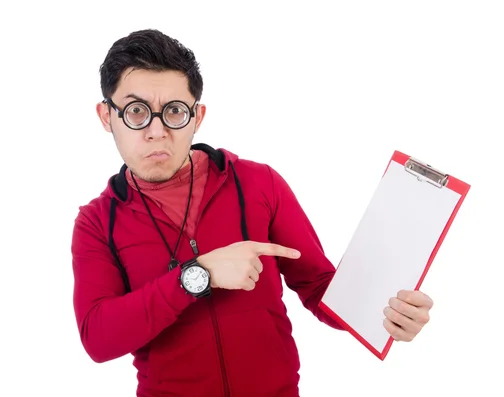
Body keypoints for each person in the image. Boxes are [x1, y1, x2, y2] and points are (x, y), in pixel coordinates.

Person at [71, 29, 434, 397]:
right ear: (106, 116)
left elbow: (319, 288)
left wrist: (384, 311)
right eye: (136, 111)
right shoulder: (97, 222)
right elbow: (98, 338)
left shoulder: (259, 183)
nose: (157, 131)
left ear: (197, 116)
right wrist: (198, 275)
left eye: (175, 111)